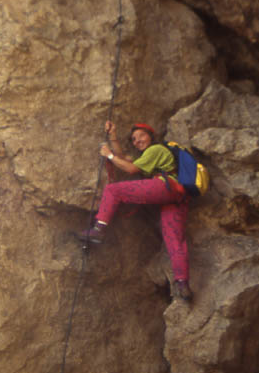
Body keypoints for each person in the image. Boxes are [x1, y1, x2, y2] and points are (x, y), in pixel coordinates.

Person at [79, 120, 193, 301]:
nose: (137, 140)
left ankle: (99, 229)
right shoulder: (148, 156)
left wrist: (108, 156)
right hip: (177, 196)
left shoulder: (155, 150)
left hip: (164, 187)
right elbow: (124, 158)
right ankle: (182, 283)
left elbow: (130, 168)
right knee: (174, 239)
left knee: (113, 190)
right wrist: (113, 136)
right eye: (134, 138)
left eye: (141, 135)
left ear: (151, 136)